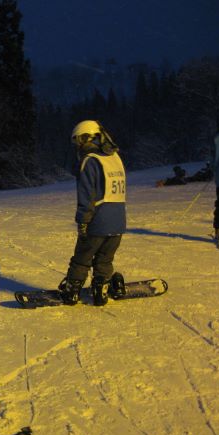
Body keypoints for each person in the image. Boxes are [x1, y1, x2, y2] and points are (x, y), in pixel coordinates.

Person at [58, 120, 127, 306]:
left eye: (79, 140)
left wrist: (83, 220)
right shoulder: (115, 158)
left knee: (82, 257)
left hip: (98, 220)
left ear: (88, 137)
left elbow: (88, 195)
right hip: (118, 221)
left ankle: (72, 291)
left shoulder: (89, 161)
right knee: (105, 259)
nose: (78, 146)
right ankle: (100, 291)